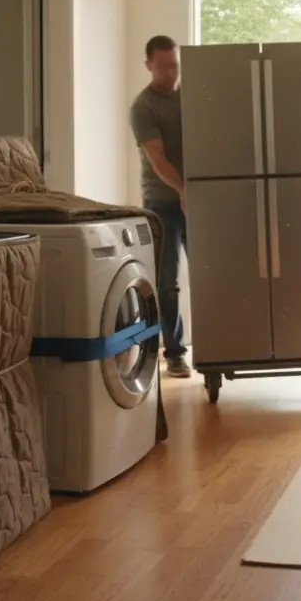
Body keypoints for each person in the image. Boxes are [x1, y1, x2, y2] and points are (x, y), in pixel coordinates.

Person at [129, 35, 190, 377]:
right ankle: (175, 353)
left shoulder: (191, 97)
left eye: (175, 64)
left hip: (198, 198)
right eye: (164, 66)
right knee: (166, 281)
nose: (171, 72)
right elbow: (157, 159)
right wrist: (183, 189)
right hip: (162, 203)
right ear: (148, 65)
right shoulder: (143, 107)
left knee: (211, 275)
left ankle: (217, 351)